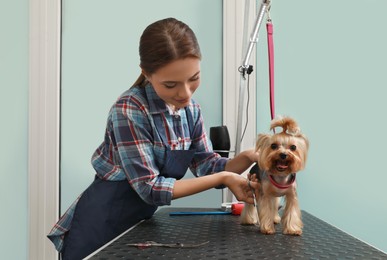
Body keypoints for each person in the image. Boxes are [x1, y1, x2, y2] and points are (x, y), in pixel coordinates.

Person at [47, 17, 260, 259]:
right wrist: (223, 177)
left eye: (194, 79)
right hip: (101, 227)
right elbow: (150, 188)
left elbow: (206, 165)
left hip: (139, 225)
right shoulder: (129, 110)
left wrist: (246, 159)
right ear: (146, 74)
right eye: (171, 84)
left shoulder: (191, 110)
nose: (185, 93)